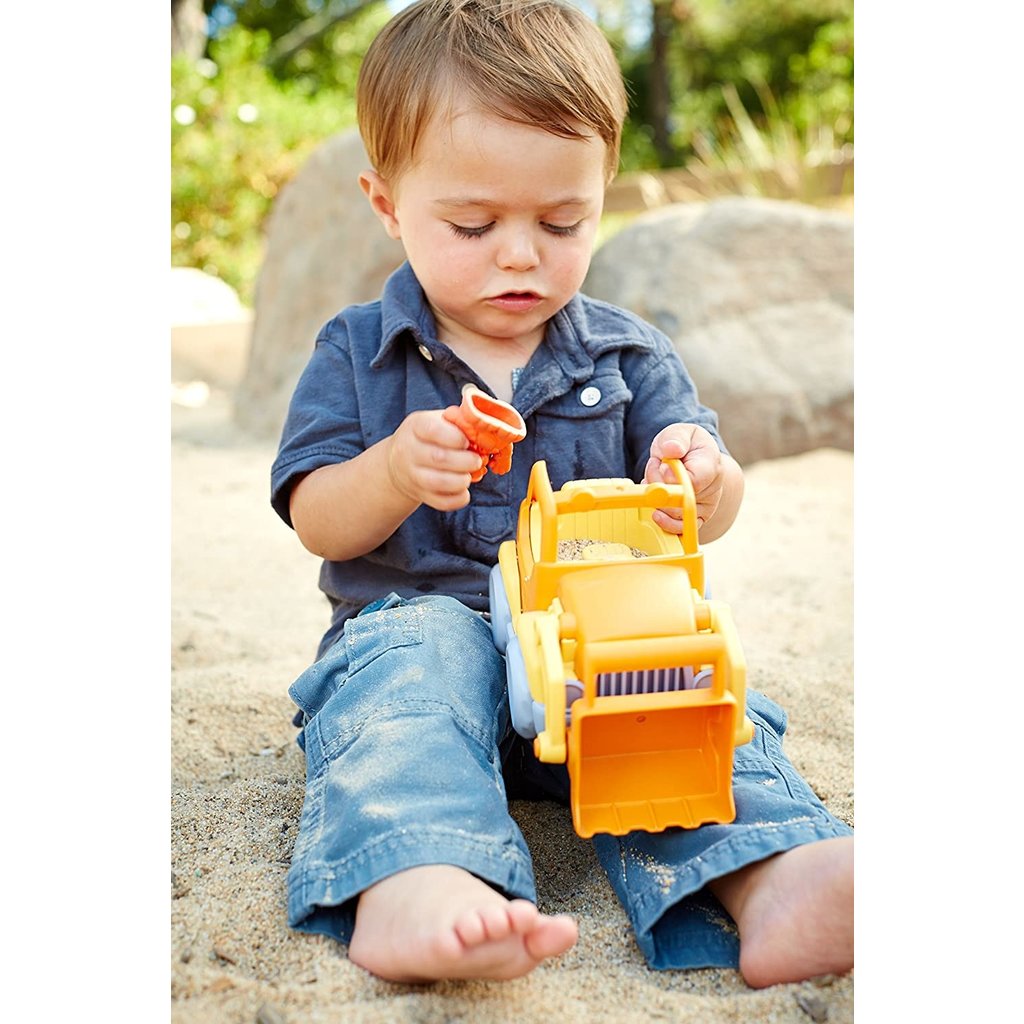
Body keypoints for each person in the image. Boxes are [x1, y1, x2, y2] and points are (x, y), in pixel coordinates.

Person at [271, 0, 853, 988]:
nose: (517, 253)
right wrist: (393, 472)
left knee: (701, 708)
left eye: (560, 221)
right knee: (406, 684)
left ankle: (777, 876)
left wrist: (699, 479)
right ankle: (419, 876)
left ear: (600, 197)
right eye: (470, 223)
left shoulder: (626, 353)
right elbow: (313, 515)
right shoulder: (356, 353)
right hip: (423, 631)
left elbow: (712, 503)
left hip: (598, 659)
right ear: (385, 203)